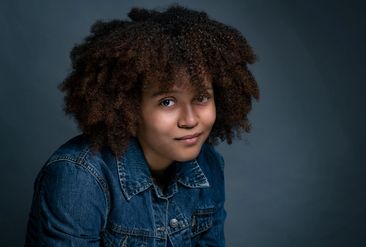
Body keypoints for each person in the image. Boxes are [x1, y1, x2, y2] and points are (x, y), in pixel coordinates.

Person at [24, 4, 259, 246]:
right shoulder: (79, 177)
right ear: (128, 107)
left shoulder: (209, 165)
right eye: (167, 102)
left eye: (201, 98)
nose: (190, 120)